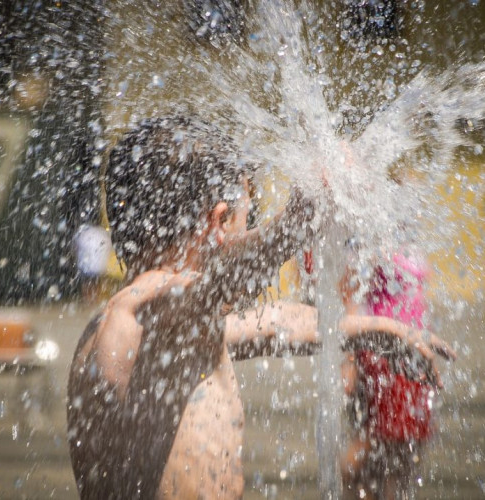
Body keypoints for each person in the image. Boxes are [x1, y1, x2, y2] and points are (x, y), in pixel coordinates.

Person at [66, 115, 453, 499]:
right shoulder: (144, 312)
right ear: (217, 223)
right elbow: (213, 286)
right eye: (245, 220)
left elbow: (273, 322)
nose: (247, 232)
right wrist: (297, 222)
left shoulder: (177, 330)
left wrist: (381, 331)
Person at [339, 246, 457, 499]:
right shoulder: (372, 228)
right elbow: (350, 290)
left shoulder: (409, 224)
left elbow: (416, 297)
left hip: (413, 354)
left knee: (406, 450)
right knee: (373, 446)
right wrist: (349, 360)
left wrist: (428, 347)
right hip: (383, 354)